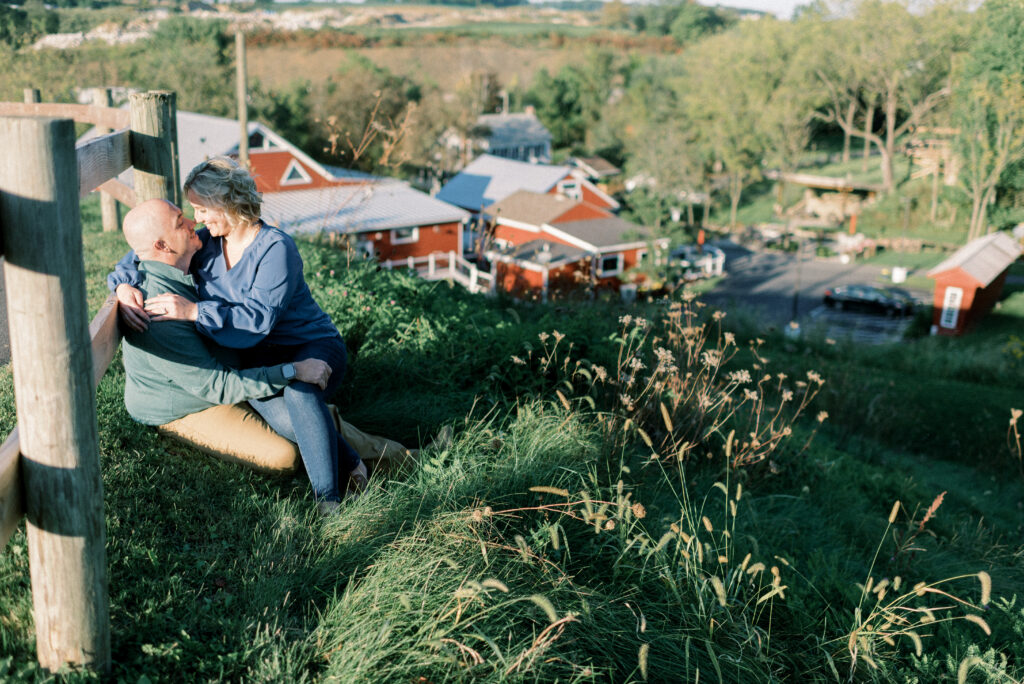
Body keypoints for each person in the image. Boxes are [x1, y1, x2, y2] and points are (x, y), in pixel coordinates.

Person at [110, 157, 365, 511]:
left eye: (199, 209)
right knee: (286, 423)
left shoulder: (273, 248)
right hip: (254, 359)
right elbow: (143, 251)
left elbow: (255, 322)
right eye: (188, 215)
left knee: (301, 397)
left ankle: (331, 502)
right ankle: (354, 460)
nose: (194, 219)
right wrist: (122, 285)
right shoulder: (205, 246)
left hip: (302, 344)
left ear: (225, 203)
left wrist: (195, 311)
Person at [118, 199, 414, 495]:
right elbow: (216, 387)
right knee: (282, 455)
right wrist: (292, 371)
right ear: (162, 246)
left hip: (228, 373)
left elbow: (135, 256)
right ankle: (349, 461)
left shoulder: (189, 256)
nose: (192, 222)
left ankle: (399, 459)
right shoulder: (156, 312)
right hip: (186, 404)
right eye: (180, 221)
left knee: (298, 410)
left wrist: (119, 282)